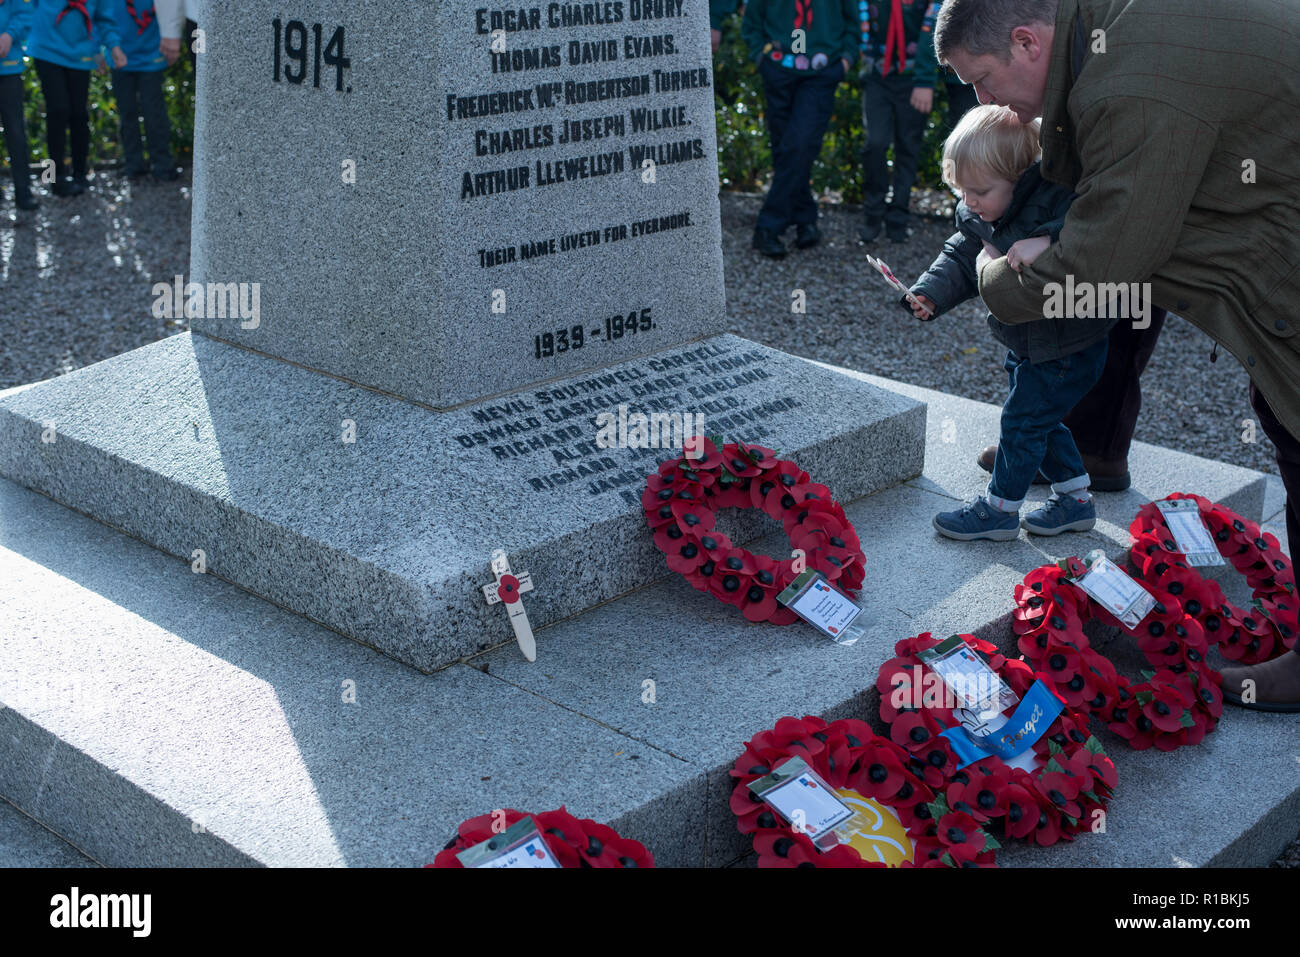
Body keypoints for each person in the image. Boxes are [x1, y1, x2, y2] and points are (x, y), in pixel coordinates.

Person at [934, 0, 1300, 709]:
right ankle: (1090, 445)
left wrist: (995, 270)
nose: (981, 102)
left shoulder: (1127, 81)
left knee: (1289, 416)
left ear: (1026, 41)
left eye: (981, 80)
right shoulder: (1110, 35)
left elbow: (1108, 255)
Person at [906, 104, 1114, 541]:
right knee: (1040, 418)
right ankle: (1076, 503)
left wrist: (1048, 240)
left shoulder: (1057, 201)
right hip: (1028, 340)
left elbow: (1091, 226)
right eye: (962, 190)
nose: (970, 201)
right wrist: (930, 293)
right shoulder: (982, 212)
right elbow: (962, 255)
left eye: (980, 190)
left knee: (1022, 422)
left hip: (1067, 344)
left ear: (1020, 179)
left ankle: (999, 511)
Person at [742, 0, 859, 257]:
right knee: (786, 150)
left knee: (799, 144)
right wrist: (760, 56)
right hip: (777, 68)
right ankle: (805, 218)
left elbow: (855, 20)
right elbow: (751, 20)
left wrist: (846, 61)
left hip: (821, 72)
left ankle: (768, 226)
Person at [857, 0, 939, 243]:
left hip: (912, 79)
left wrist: (925, 81)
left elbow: (934, 29)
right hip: (877, 77)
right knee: (875, 143)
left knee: (908, 147)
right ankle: (873, 213)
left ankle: (898, 217)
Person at [27, 0, 125, 195]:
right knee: (58, 110)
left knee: (79, 114)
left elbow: (103, 17)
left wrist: (113, 47)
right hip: (47, 49)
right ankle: (56, 178)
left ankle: (80, 174)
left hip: (80, 53)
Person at [108, 0, 176, 180]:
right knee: (127, 113)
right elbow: (101, 16)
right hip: (119, 56)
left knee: (154, 112)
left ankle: (162, 165)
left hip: (151, 56)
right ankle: (134, 165)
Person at [0, 0, 38, 210]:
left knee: (15, 132)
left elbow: (27, 14)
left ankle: (23, 192)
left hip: (9, 71)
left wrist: (9, 34)